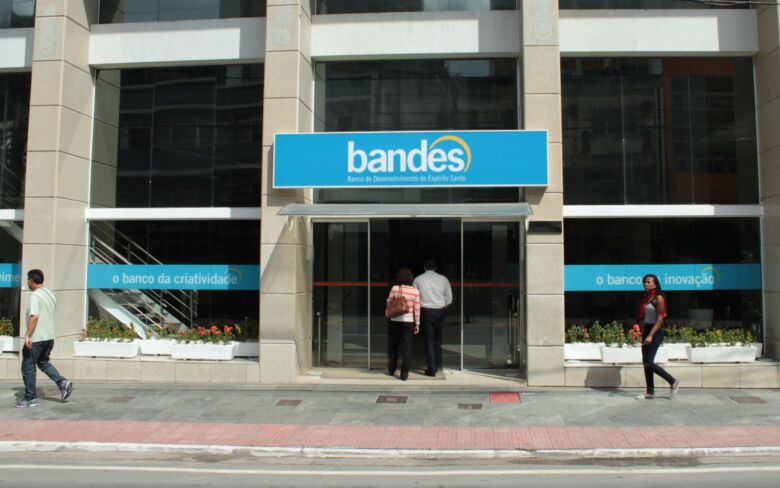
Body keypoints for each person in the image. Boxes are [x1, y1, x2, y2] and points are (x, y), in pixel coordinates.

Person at [16, 269, 72, 408]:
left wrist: (27, 335)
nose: (27, 283)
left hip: (36, 339)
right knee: (43, 363)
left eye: (28, 280)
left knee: (28, 367)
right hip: (49, 337)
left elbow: (34, 316)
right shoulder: (49, 294)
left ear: (31, 281)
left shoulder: (35, 296)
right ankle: (62, 383)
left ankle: (31, 398)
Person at [634, 273, 678, 400]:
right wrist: (638, 326)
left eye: (648, 282)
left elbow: (660, 319)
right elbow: (645, 316)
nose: (645, 284)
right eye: (644, 282)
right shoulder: (647, 298)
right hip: (647, 329)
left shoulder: (659, 298)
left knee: (649, 362)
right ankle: (650, 391)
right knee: (645, 363)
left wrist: (650, 335)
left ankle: (673, 381)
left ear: (655, 284)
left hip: (656, 331)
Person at [413, 259, 452, 377]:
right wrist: (443, 307)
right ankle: (437, 365)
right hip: (439, 311)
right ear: (435, 268)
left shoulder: (418, 279)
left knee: (429, 339)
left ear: (424, 267)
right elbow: (449, 298)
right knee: (437, 339)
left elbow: (415, 297)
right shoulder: (443, 279)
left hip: (425, 311)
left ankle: (432, 368)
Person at [386, 268, 420, 381]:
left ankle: (392, 369)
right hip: (409, 322)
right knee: (407, 348)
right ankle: (404, 373)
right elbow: (417, 308)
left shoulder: (395, 288)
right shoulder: (415, 291)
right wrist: (417, 324)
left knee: (394, 345)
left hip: (395, 320)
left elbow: (388, 302)